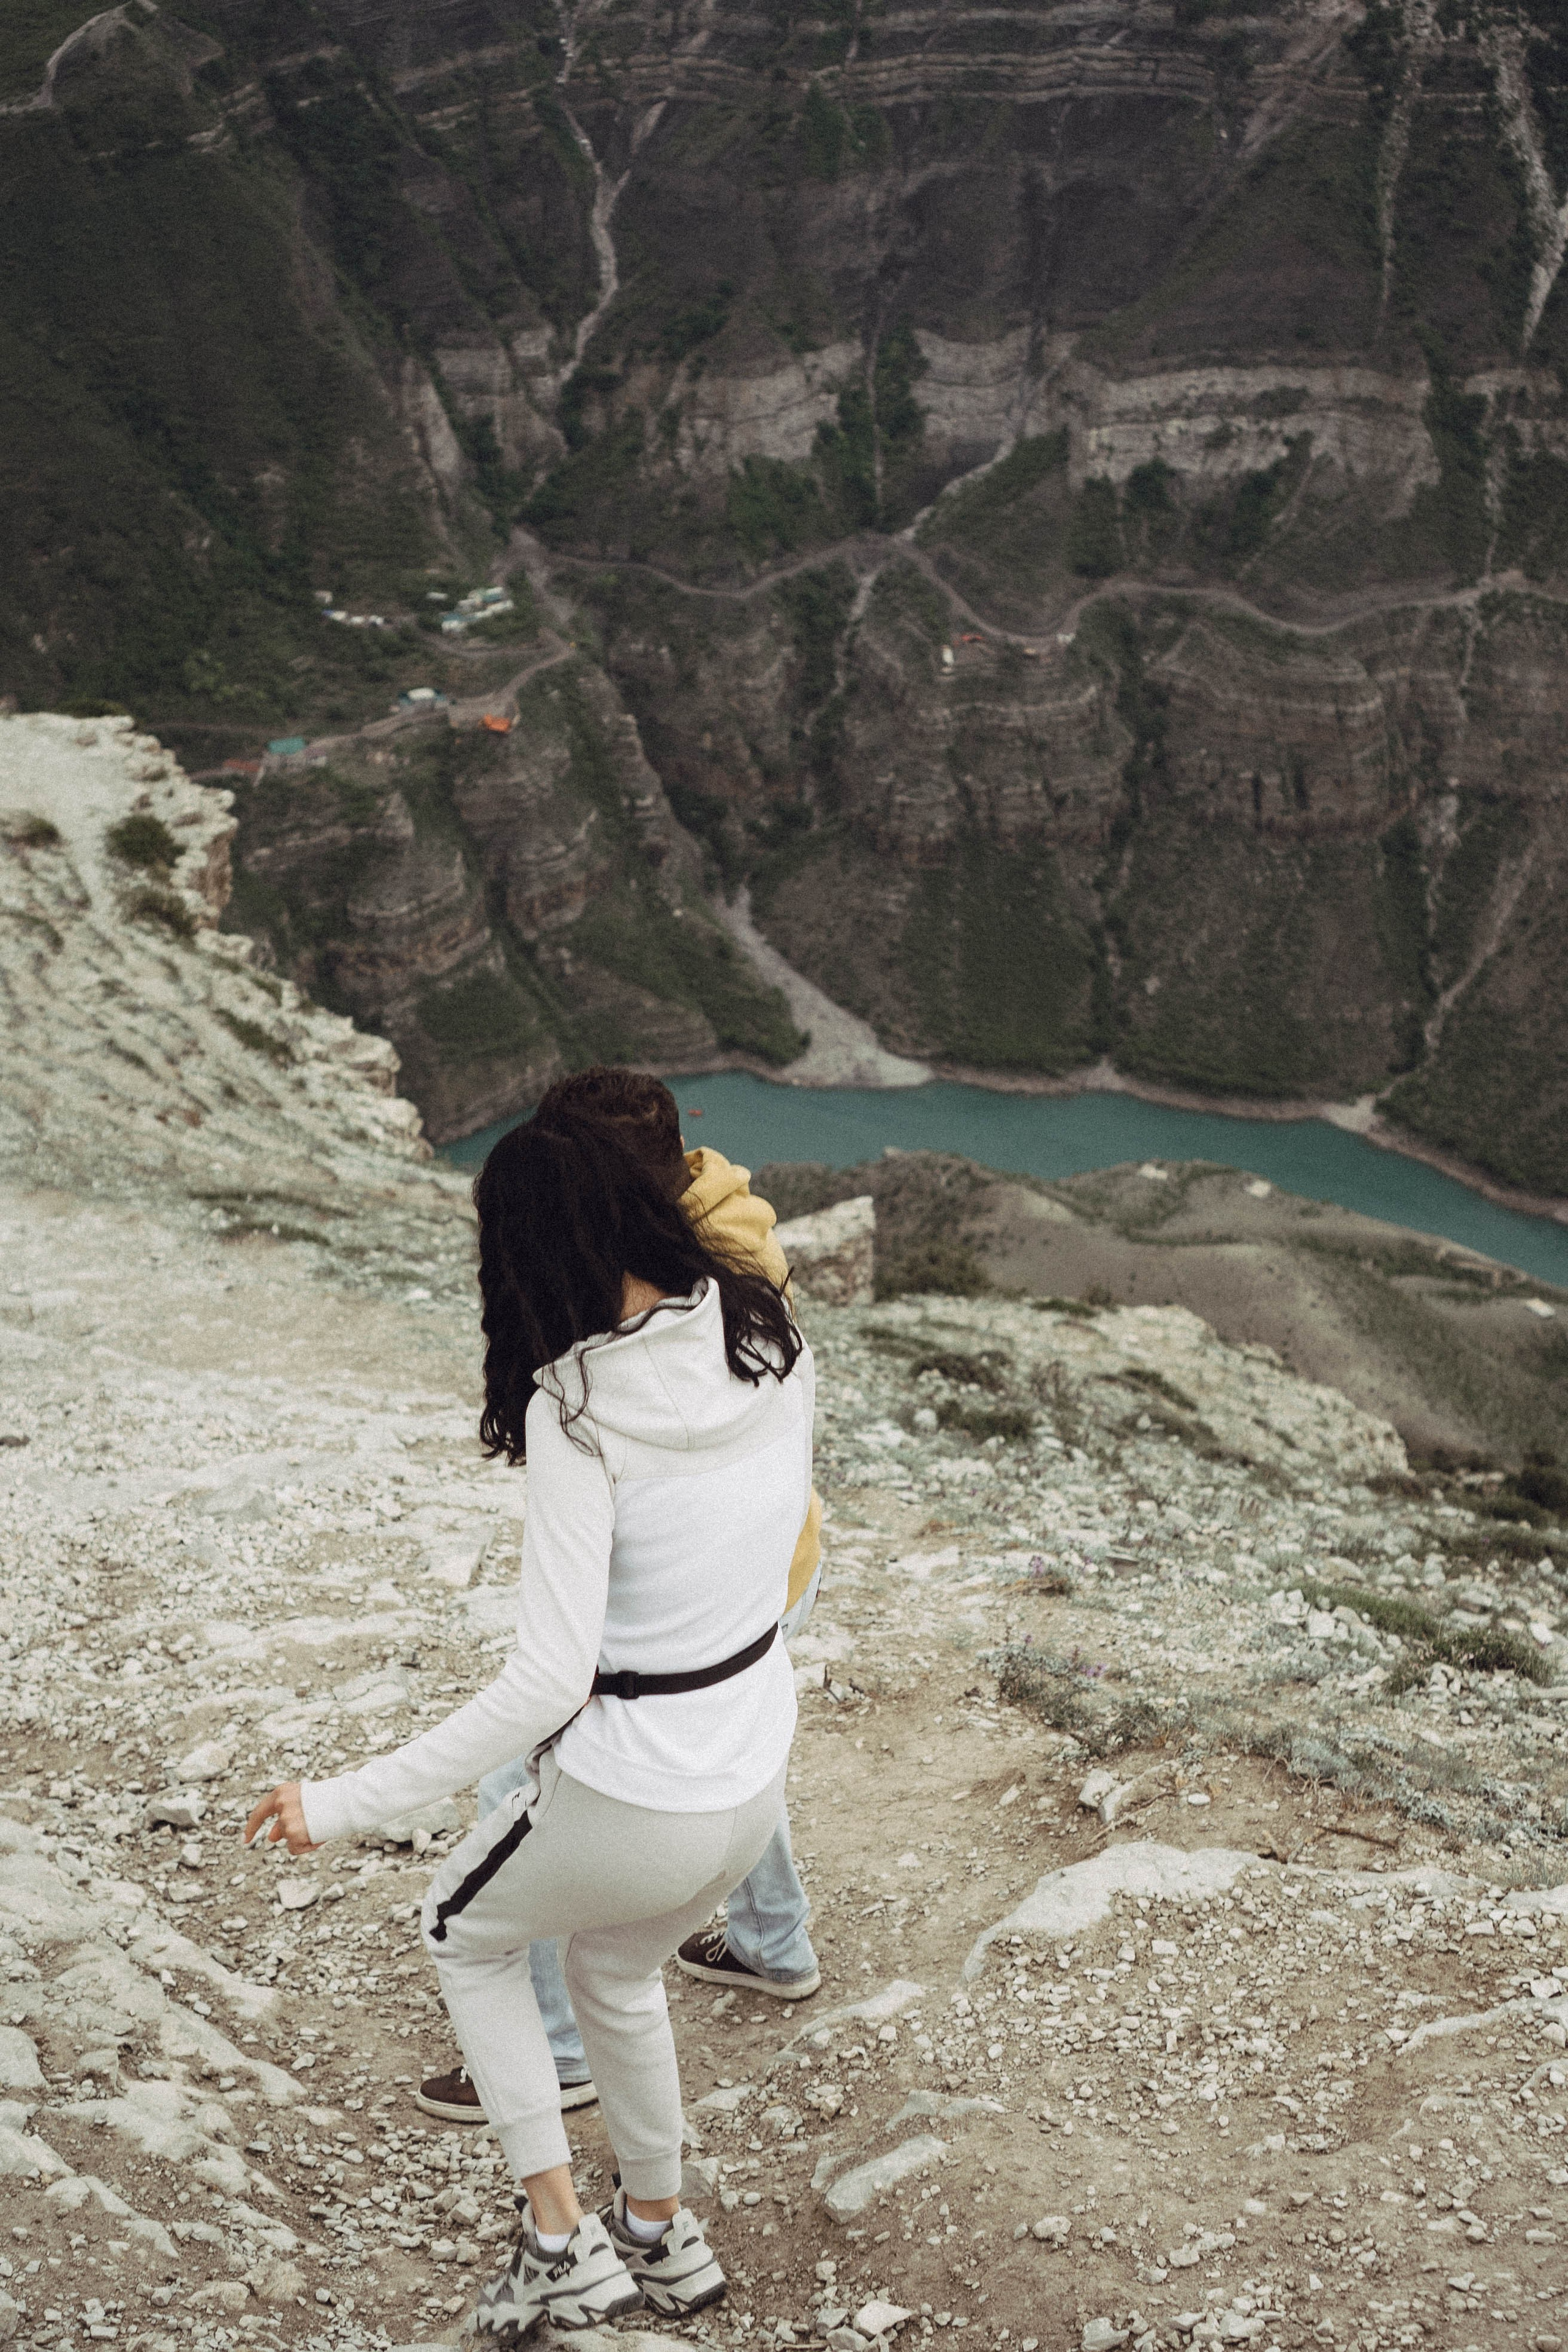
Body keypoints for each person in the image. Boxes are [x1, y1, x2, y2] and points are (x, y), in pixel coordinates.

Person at [245, 1109, 815, 2334]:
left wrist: (341, 1802)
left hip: (637, 1790)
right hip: (752, 1774)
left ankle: (560, 2242)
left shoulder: (578, 1408)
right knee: (614, 1972)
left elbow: (546, 1683)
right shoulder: (766, 1332)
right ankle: (660, 2235)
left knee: (462, 1932)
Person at [416, 1070, 824, 2127]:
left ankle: (555, 2056)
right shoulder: (728, 1236)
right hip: (771, 1555)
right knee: (727, 1736)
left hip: (694, 1576)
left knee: (522, 1777)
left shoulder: (639, 1275)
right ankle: (774, 1942)